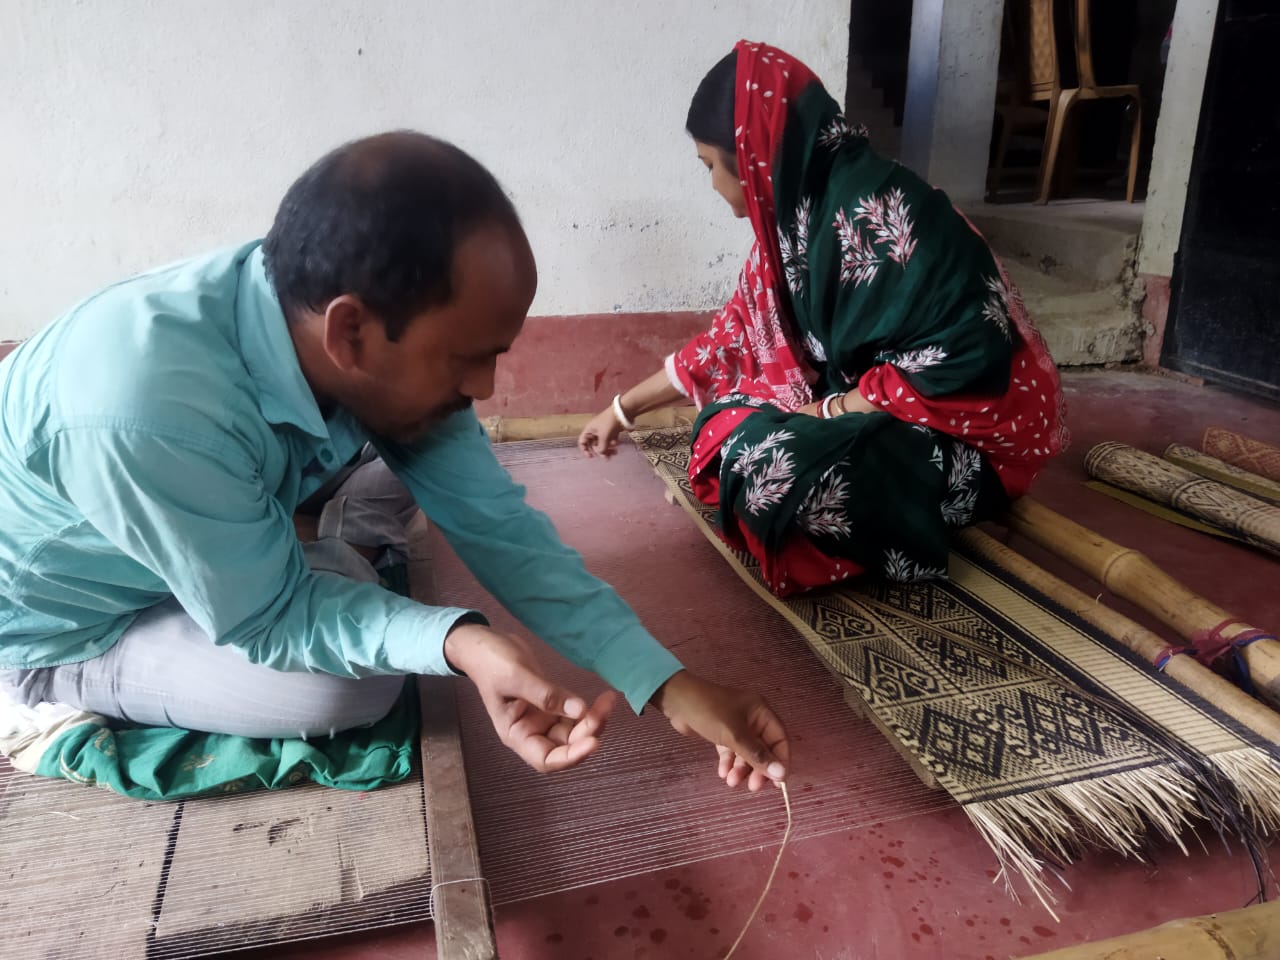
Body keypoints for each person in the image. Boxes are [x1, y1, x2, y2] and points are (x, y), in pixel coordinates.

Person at [0, 132, 787, 792]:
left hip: (175, 522)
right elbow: (270, 622)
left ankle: (294, 558)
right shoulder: (148, 411)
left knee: (400, 479)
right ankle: (47, 692)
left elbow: (499, 527)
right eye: (467, 360)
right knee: (356, 684)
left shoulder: (323, 314)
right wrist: (463, 642)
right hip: (65, 623)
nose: (482, 390)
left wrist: (668, 684)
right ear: (351, 335)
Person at [579, 41, 1067, 595]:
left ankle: (871, 524)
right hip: (863, 409)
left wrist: (831, 409)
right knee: (719, 428)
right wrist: (620, 410)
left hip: (960, 436)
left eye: (711, 165)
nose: (714, 185)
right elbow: (727, 342)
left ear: (754, 153)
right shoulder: (790, 227)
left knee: (776, 474)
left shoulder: (887, 212)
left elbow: (968, 355)